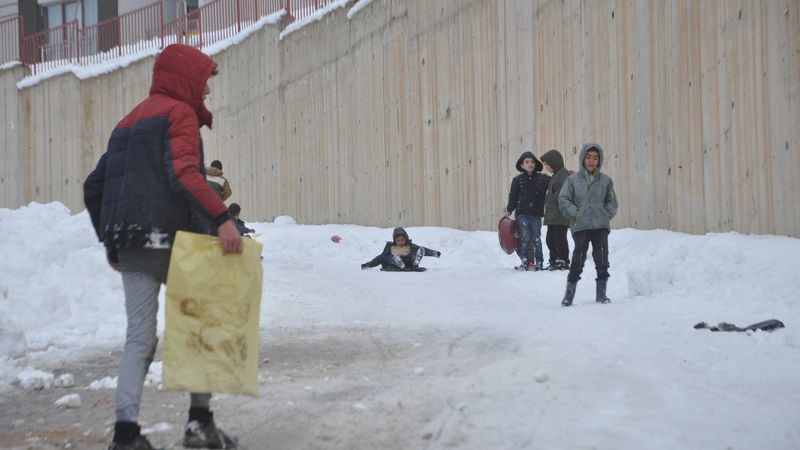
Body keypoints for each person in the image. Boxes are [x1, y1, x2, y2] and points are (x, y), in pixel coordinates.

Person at [83, 44, 243, 450]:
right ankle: (199, 424)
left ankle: (125, 434)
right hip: (176, 241)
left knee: (139, 338)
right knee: (201, 325)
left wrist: (112, 240)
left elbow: (94, 186)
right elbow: (185, 174)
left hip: (133, 244)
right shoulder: (179, 114)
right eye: (204, 81)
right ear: (185, 78)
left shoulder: (127, 121)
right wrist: (223, 220)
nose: (206, 91)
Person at [558, 143, 619, 307]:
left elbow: (612, 201)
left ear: (599, 160)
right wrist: (576, 214)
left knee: (602, 258)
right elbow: (564, 200)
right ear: (582, 158)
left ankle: (601, 294)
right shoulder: (572, 180)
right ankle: (568, 295)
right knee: (578, 258)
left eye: (595, 158)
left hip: (600, 225)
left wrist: (606, 214)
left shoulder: (606, 181)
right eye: (589, 157)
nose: (592, 161)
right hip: (581, 226)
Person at [503, 151, 550, 271]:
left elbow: (556, 182)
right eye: (527, 162)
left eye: (532, 162)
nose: (530, 164)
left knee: (536, 238)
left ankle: (539, 262)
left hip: (536, 214)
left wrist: (566, 175)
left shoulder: (542, 179)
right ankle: (527, 261)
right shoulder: (517, 180)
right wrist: (509, 210)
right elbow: (512, 196)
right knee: (525, 237)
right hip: (522, 214)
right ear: (522, 165)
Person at [540, 149, 572, 270]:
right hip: (554, 215)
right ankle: (554, 260)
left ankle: (562, 260)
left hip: (560, 215)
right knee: (550, 239)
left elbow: (561, 195)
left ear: (555, 162)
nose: (547, 168)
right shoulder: (556, 175)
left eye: (547, 165)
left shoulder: (563, 175)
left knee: (559, 238)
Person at [361, 227, 441, 271]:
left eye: (402, 240)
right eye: (398, 240)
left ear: (406, 239)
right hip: (394, 263)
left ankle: (415, 262)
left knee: (419, 250)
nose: (400, 242)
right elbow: (380, 258)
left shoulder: (409, 245)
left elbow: (423, 250)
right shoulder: (390, 247)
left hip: (408, 262)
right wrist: (367, 265)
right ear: (395, 241)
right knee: (386, 257)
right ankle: (398, 263)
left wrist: (434, 253)